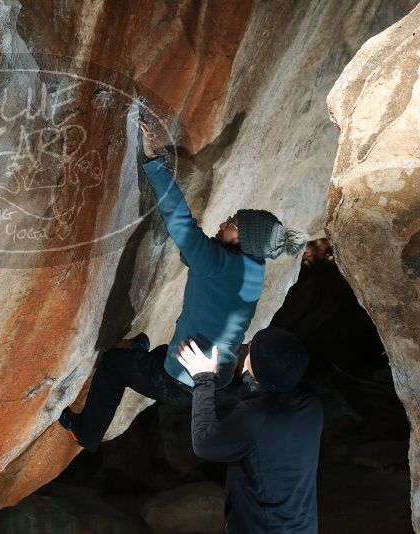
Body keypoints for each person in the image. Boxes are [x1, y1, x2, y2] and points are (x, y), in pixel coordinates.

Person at [58, 121, 308, 452]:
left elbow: (180, 220)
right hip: (214, 379)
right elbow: (211, 274)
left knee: (112, 366)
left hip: (178, 382)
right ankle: (143, 358)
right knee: (158, 351)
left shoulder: (216, 261)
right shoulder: (254, 268)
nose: (223, 223)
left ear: (243, 240)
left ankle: (86, 433)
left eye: (231, 224)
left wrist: (151, 160)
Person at [177, 326, 323, 534]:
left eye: (253, 349)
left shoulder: (254, 416)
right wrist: (250, 374)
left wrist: (203, 379)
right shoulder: (311, 404)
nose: (248, 346)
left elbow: (203, 444)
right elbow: (266, 389)